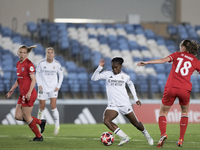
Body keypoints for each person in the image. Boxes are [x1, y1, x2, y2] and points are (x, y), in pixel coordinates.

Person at [137, 39, 200, 148]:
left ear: (183, 47)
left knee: (163, 112)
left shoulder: (177, 55)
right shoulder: (195, 60)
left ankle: (163, 134)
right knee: (184, 112)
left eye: (181, 47)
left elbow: (162, 60)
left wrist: (147, 62)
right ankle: (181, 139)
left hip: (171, 87)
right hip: (184, 89)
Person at [91, 57, 154, 146]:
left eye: (116, 67)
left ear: (121, 66)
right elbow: (94, 78)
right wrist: (100, 68)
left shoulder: (125, 76)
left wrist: (136, 99)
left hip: (124, 104)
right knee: (106, 121)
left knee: (136, 124)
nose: (114, 69)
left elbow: (131, 85)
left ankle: (147, 135)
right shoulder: (107, 73)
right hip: (113, 105)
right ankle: (124, 137)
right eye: (113, 67)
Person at [6, 45, 46, 141]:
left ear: (27, 54)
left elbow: (34, 80)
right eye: (21, 52)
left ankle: (39, 136)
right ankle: (40, 122)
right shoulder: (18, 64)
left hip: (29, 94)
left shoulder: (29, 64)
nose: (22, 54)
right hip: (22, 94)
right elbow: (19, 79)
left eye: (24, 53)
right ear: (18, 53)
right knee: (18, 116)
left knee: (27, 117)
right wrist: (12, 89)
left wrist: (29, 92)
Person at [36, 47, 64, 135]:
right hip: (43, 88)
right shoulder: (41, 63)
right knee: (42, 107)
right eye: (48, 52)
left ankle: (57, 126)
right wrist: (39, 84)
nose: (50, 54)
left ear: (54, 54)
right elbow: (37, 73)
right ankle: (41, 125)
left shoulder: (57, 64)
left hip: (53, 88)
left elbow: (61, 75)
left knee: (53, 106)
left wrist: (58, 86)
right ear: (46, 54)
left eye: (52, 52)